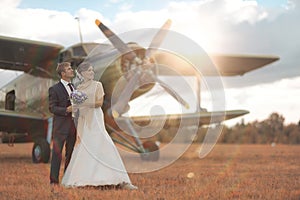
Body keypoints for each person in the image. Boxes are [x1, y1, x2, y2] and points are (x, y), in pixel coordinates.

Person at [61, 62, 137, 190]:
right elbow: (78, 110)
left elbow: (99, 103)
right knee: (86, 146)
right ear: (82, 73)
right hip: (85, 119)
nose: (92, 72)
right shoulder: (78, 89)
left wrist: (85, 103)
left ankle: (121, 180)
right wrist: (76, 110)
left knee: (104, 142)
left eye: (92, 70)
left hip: (96, 118)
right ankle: (83, 179)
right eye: (89, 71)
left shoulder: (98, 85)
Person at [48, 62, 77, 186]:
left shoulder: (74, 87)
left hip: (73, 127)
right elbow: (52, 108)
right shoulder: (54, 89)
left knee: (70, 154)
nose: (72, 70)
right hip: (60, 127)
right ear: (63, 73)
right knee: (57, 155)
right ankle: (54, 182)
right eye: (69, 69)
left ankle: (67, 180)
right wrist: (66, 110)